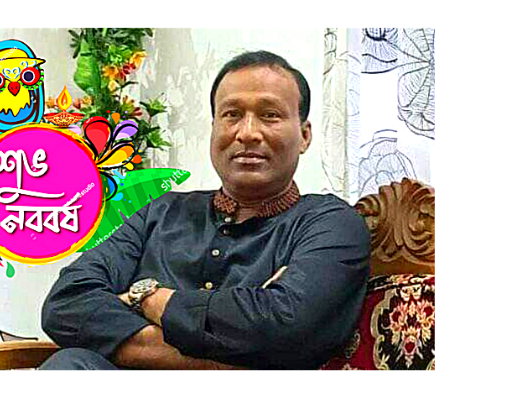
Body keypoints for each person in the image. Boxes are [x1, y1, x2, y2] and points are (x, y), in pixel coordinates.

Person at [39, 50, 370, 370]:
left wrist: (148, 299)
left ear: (305, 136)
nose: (247, 133)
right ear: (213, 128)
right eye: (231, 115)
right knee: (71, 365)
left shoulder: (330, 225)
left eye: (270, 115)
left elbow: (286, 323)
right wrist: (223, 360)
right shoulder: (158, 213)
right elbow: (65, 304)